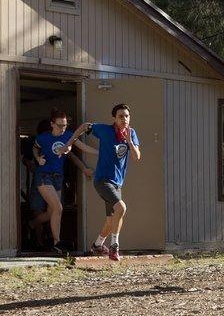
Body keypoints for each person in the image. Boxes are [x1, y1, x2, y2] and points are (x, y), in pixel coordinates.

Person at [61, 104, 141, 261]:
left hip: (117, 183)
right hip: (102, 180)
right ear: (114, 118)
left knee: (111, 221)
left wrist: (130, 142)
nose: (124, 119)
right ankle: (114, 247)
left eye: (126, 116)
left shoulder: (131, 133)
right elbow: (85, 126)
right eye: (120, 116)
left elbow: (137, 157)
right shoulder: (105, 130)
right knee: (121, 208)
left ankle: (98, 244)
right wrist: (70, 142)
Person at [30, 109, 97, 254]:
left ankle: (32, 224)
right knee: (58, 208)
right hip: (43, 175)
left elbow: (82, 147)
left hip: (57, 177)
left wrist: (101, 152)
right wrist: (38, 158)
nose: (63, 128)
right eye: (60, 125)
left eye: (65, 125)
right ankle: (57, 242)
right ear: (52, 124)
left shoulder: (68, 135)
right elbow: (35, 149)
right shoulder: (43, 138)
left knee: (51, 212)